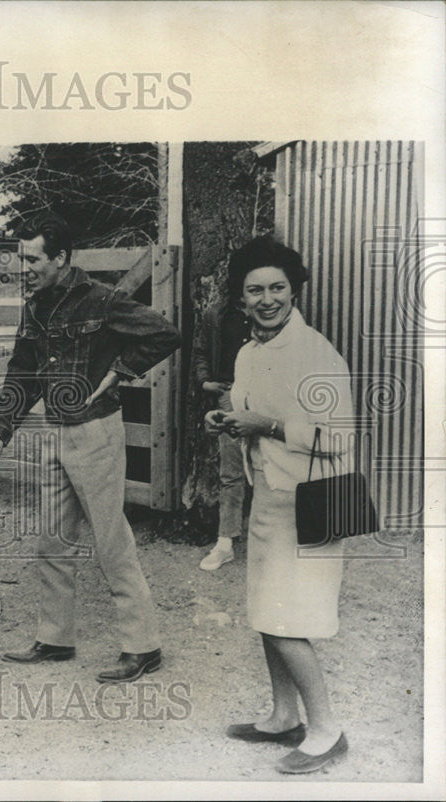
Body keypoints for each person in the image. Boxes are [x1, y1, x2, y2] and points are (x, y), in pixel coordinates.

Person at [0, 214, 181, 683]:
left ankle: (142, 646)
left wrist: (120, 371)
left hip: (96, 433)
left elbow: (165, 334)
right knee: (52, 539)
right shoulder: (35, 307)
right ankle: (55, 638)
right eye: (20, 257)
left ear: (61, 258)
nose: (24, 267)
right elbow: (22, 373)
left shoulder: (102, 300)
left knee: (111, 542)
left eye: (32, 259)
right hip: (53, 432)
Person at [206, 236, 352, 774]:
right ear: (241, 299)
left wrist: (264, 425)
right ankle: (283, 716)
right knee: (268, 613)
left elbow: (338, 436)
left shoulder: (315, 352)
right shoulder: (250, 351)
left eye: (277, 288)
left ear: (295, 292)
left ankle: (326, 730)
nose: (266, 299)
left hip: (310, 500)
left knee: (288, 621)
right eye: (254, 291)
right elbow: (248, 411)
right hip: (268, 494)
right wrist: (226, 420)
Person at [192, 278, 252, 570]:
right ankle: (226, 542)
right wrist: (205, 382)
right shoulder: (215, 315)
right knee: (231, 471)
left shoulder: (268, 312)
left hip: (267, 393)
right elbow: (201, 350)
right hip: (228, 394)